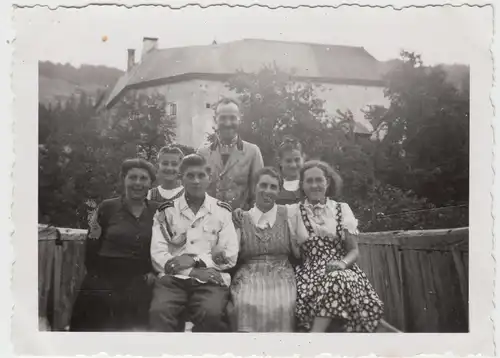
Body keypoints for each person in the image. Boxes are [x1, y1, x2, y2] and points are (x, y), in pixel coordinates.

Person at [287, 160, 383, 333]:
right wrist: (240, 214)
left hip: (343, 271)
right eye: (309, 181)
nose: (314, 185)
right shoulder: (293, 212)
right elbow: (268, 210)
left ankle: (314, 336)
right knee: (333, 282)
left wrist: (342, 263)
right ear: (302, 185)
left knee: (338, 278)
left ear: (327, 182)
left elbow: (354, 250)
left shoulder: (341, 209)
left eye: (319, 180)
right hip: (309, 277)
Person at [149, 154, 239, 332]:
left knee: (211, 314)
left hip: (210, 280)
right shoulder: (166, 212)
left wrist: (196, 261)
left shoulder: (221, 212)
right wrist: (193, 271)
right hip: (173, 280)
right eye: (190, 176)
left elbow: (230, 254)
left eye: (201, 176)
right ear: (181, 178)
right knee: (159, 313)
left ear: (209, 178)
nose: (196, 181)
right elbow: (158, 255)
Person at [70, 158, 159, 331]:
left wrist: (154, 272)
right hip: (105, 278)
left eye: (143, 178)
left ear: (150, 183)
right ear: (123, 179)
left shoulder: (158, 211)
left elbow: (164, 246)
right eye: (132, 177)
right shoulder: (106, 208)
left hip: (140, 280)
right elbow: (92, 244)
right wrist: (96, 277)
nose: (137, 183)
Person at [229, 167, 297, 332]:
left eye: (273, 187)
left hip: (281, 273)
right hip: (249, 274)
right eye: (263, 185)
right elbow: (231, 253)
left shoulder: (288, 213)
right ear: (255, 187)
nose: (268, 191)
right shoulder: (242, 218)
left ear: (279, 190)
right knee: (246, 303)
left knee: (284, 304)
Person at [197, 97, 264, 210]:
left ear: (239, 119)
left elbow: (257, 195)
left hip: (240, 223)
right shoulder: (202, 153)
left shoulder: (253, 152)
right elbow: (196, 193)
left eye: (232, 118)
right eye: (223, 118)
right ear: (215, 119)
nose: (228, 123)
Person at [275, 136, 306, 205]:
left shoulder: (310, 185)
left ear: (303, 158)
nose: (293, 165)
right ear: (280, 161)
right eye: (288, 161)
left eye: (297, 160)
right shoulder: (274, 188)